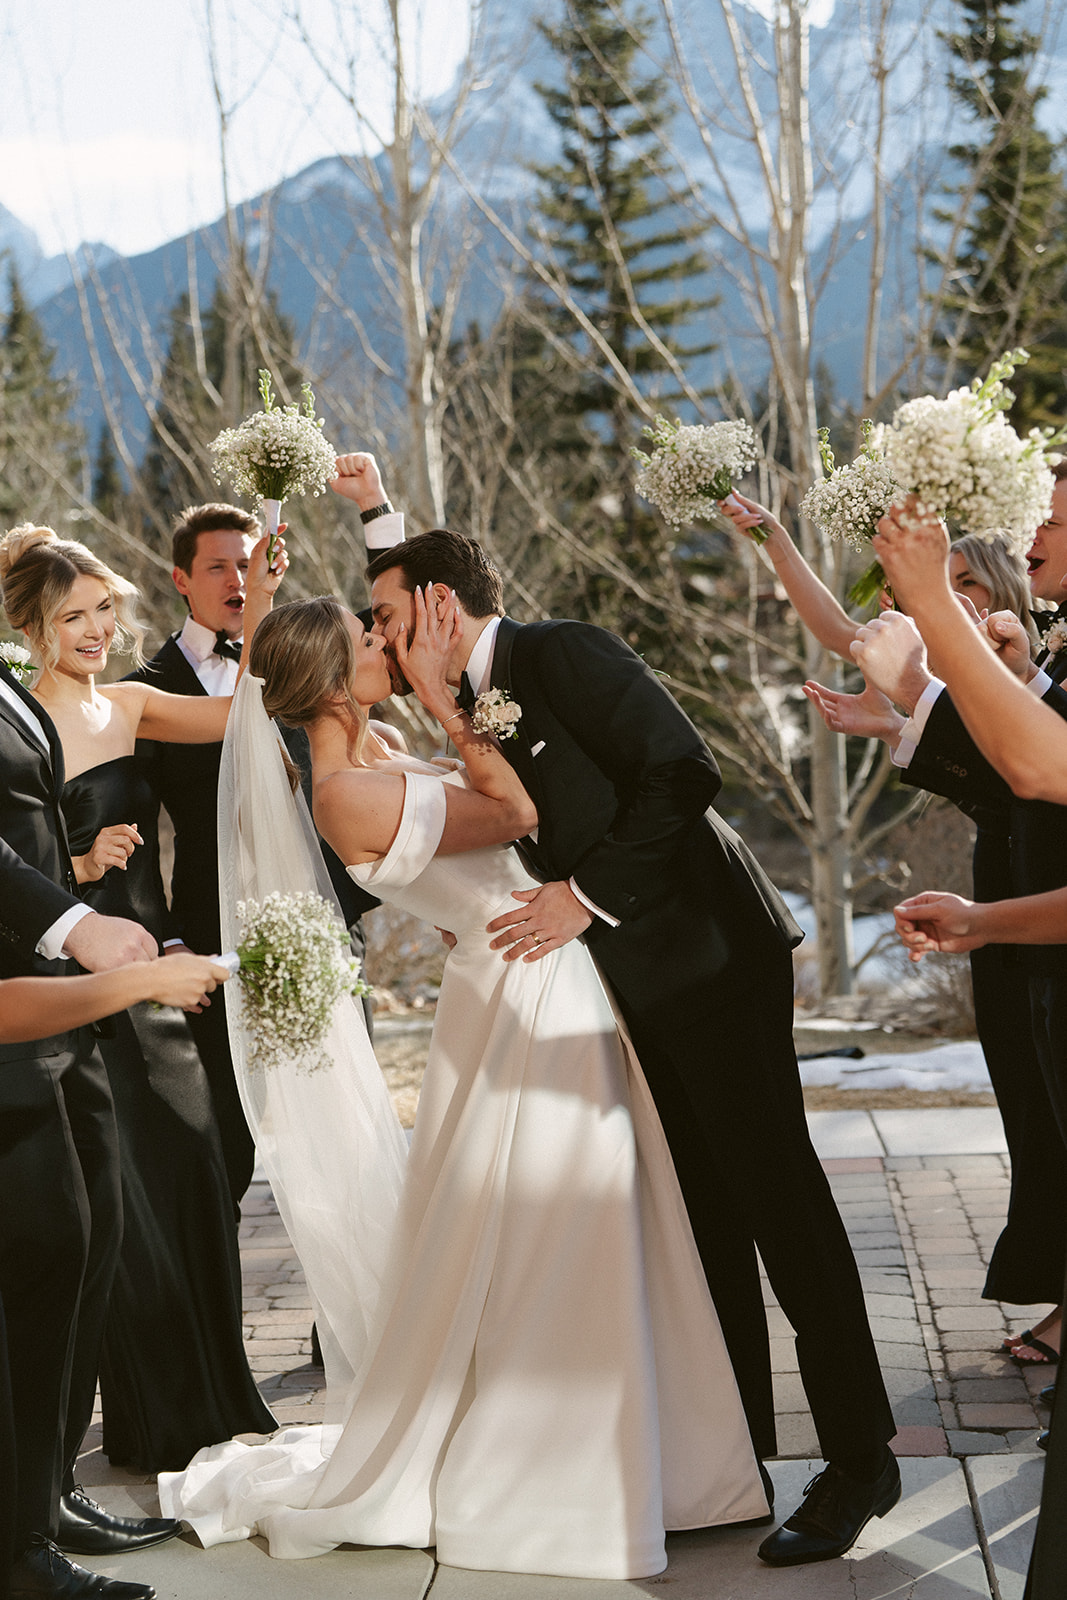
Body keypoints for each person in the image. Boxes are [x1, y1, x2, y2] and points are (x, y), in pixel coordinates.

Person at [342, 468, 899, 1565]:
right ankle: (731, 1457)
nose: (387, 640)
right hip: (629, 990)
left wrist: (579, 896)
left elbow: (680, 773)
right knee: (701, 1222)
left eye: (394, 617)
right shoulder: (469, 697)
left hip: (711, 960)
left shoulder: (566, 651)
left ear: (444, 607)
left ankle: (860, 1457)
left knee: (775, 1199)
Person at [161, 588, 769, 1579]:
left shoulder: (372, 750)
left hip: (526, 973)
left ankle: (666, 1463)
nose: (381, 645)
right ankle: (553, 1471)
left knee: (599, 1218)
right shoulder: (343, 792)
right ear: (325, 676)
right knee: (562, 1227)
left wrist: (437, 719)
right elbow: (516, 814)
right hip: (520, 991)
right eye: (365, 640)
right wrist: (452, 706)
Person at [728, 486, 1067, 1353]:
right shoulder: (1002, 657)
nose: (1037, 534)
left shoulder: (1005, 654)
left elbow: (1024, 766)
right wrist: (773, 539)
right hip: (1014, 890)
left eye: (1052, 522)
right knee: (1030, 1098)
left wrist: (915, 695)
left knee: (1043, 1105)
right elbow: (846, 633)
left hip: (1027, 892)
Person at [0, 523, 283, 1475]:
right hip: (78, 989)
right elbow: (18, 875)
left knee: (198, 1169)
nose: (95, 629)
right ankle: (150, 1425)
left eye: (105, 610)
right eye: (72, 615)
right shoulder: (20, 728)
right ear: (33, 629)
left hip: (157, 980)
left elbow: (247, 706)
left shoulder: (128, 706)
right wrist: (77, 868)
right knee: (121, 1208)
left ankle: (214, 1406)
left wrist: (267, 584)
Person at [126, 502, 394, 1209]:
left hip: (321, 926)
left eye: (249, 563)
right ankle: (213, 1313)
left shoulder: (302, 660)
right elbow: (138, 830)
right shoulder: (150, 688)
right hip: (207, 941)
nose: (238, 580)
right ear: (182, 579)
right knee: (219, 1147)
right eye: (219, 566)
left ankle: (357, 1313)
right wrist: (166, 939)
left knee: (352, 1131)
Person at [0, 639, 176, 1600]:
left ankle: (50, 1490)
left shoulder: (7, 682)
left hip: (61, 991)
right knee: (43, 1253)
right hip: (18, 997)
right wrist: (76, 923)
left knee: (87, 1239)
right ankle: (17, 1542)